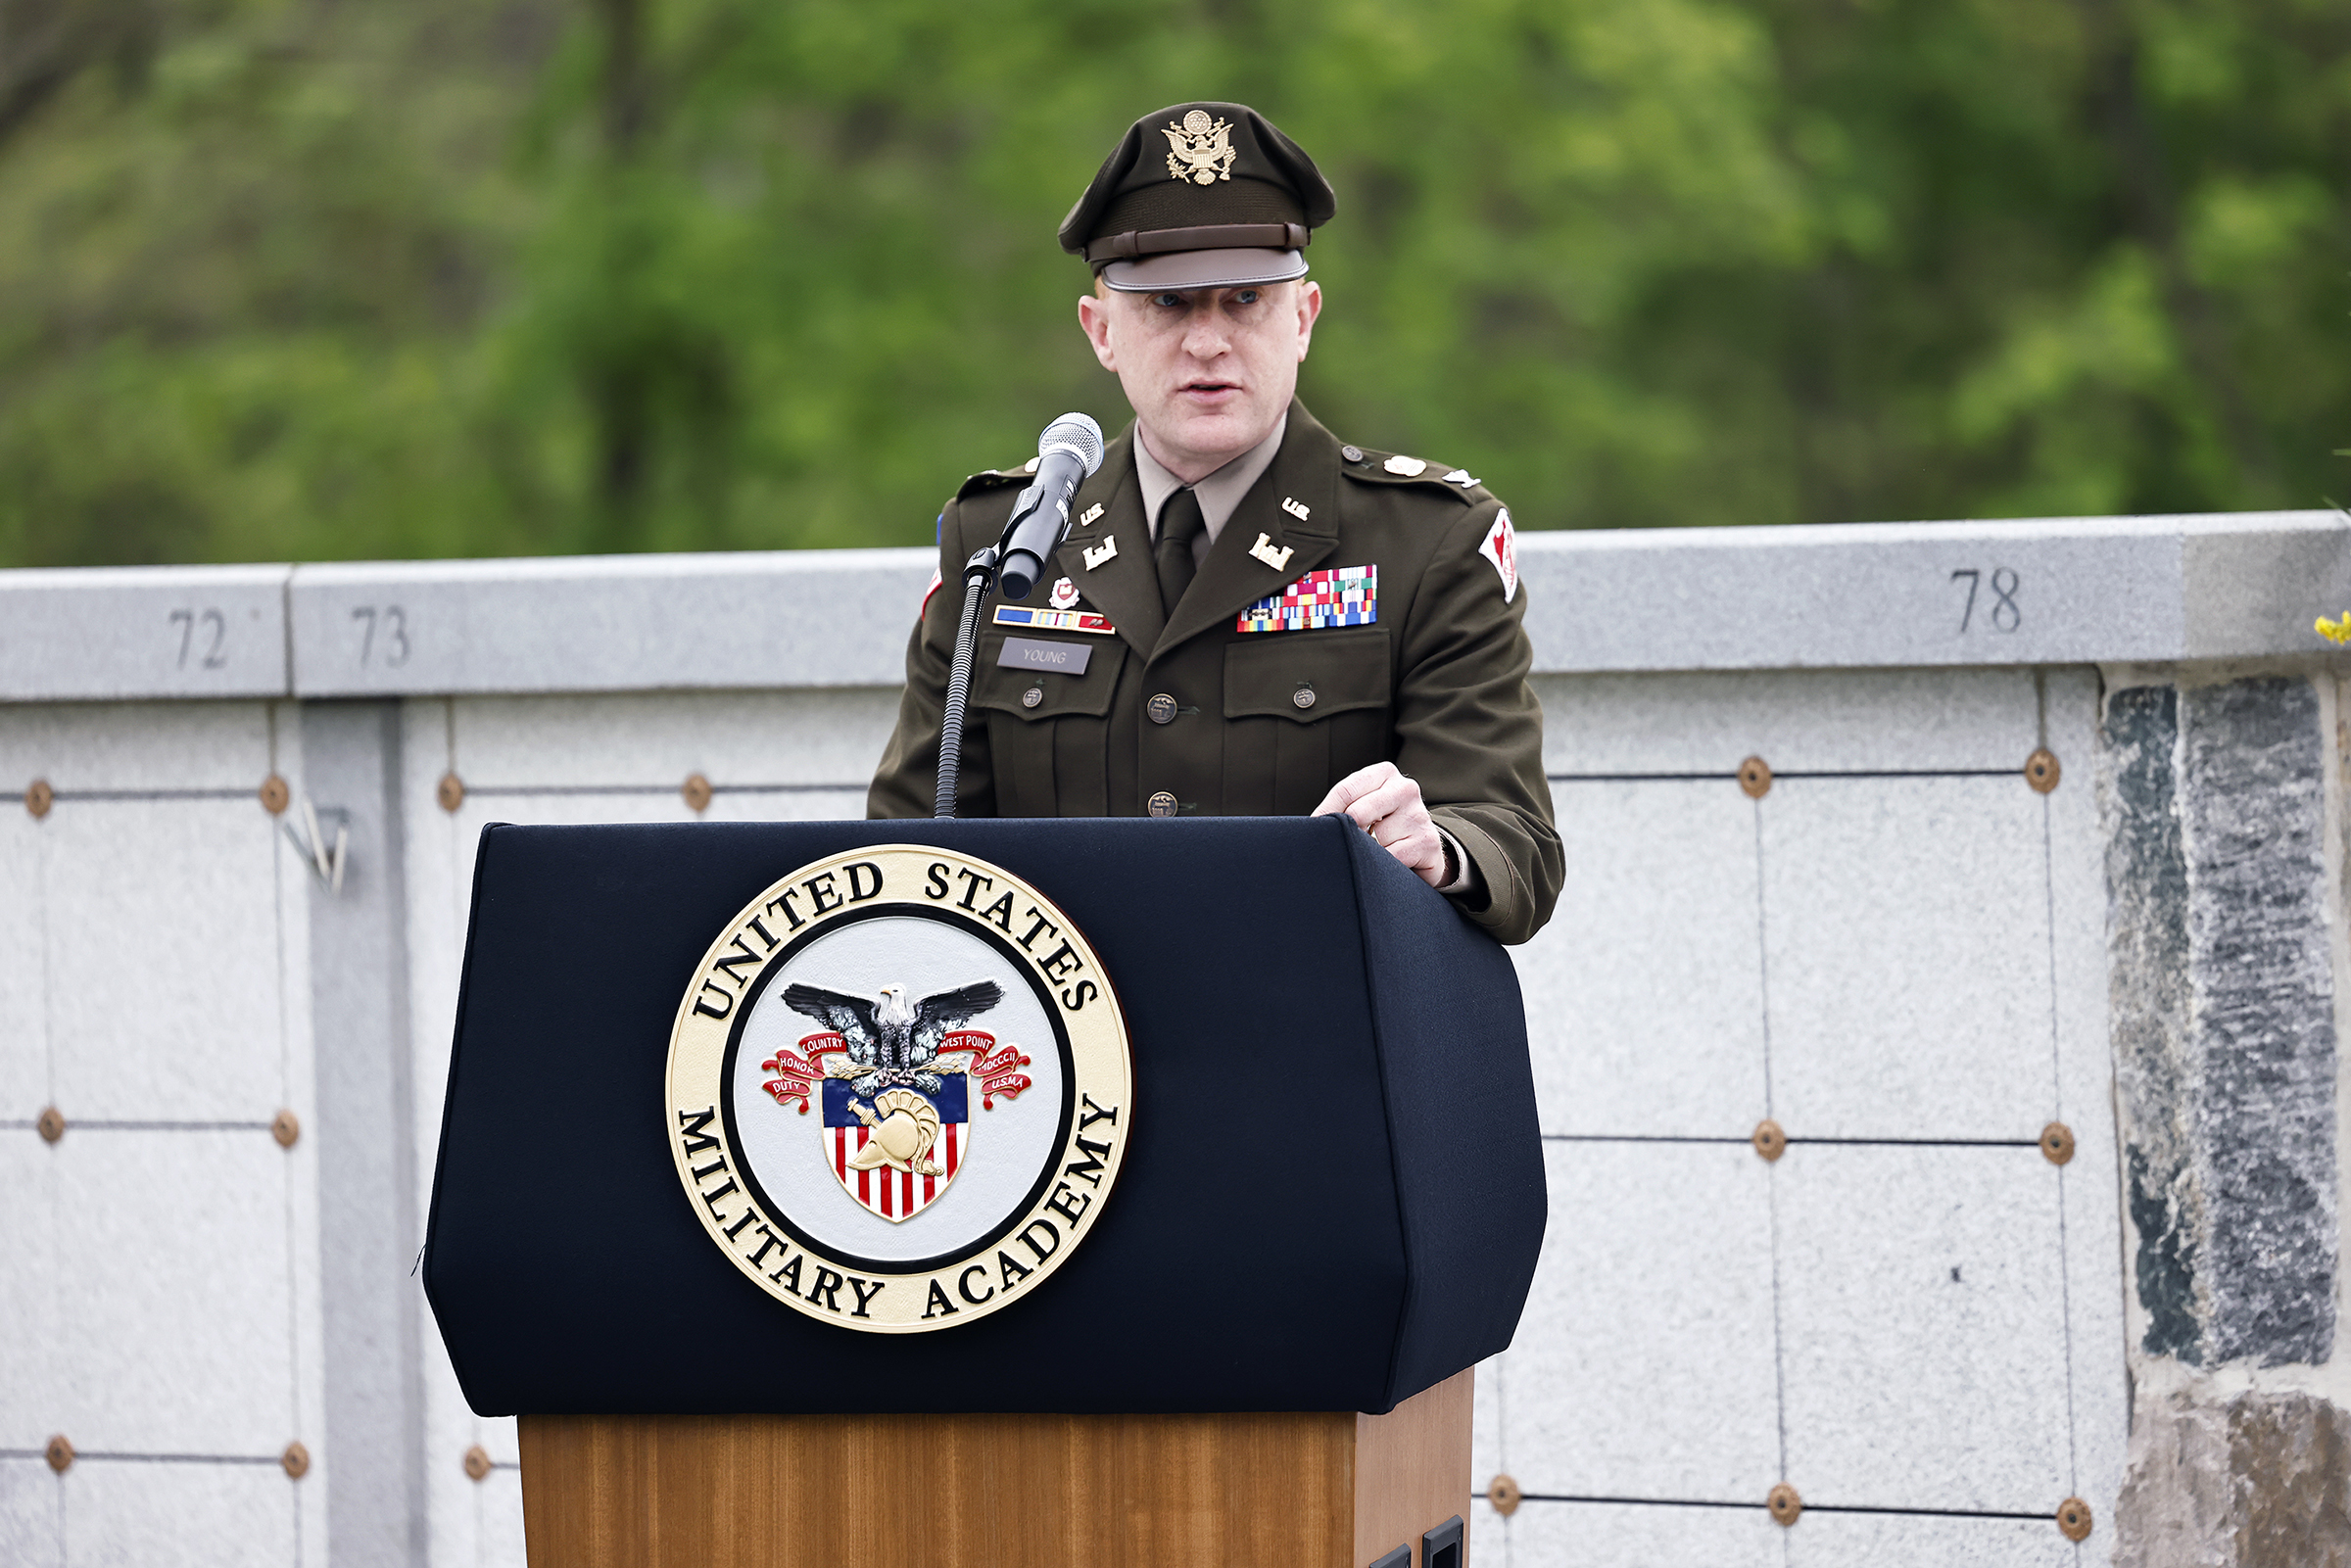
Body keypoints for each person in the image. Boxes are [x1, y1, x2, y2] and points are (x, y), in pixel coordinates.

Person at [869, 102, 1560, 945]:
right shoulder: (1005, 541)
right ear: (1102, 332)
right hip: (1065, 1054)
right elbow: (904, 853)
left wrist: (1441, 846)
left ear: (1302, 320)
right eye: (1168, 302)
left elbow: (1516, 842)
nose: (1209, 342)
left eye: (1244, 300)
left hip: (1313, 1043)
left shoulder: (1427, 541)